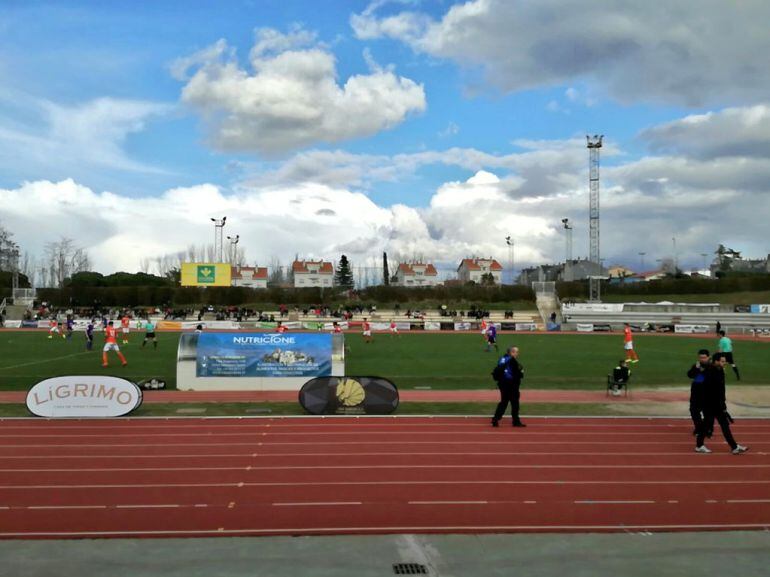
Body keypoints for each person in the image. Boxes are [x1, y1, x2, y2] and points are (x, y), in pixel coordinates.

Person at [695, 354, 748, 454]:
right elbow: (698, 384)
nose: (725, 363)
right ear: (716, 361)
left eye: (725, 361)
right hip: (709, 405)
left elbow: (720, 390)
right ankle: (699, 445)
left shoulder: (720, 371)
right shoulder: (708, 371)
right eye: (722, 361)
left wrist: (722, 404)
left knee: (724, 425)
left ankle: (734, 446)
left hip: (718, 404)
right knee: (707, 425)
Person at [491, 346, 525, 427]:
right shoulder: (512, 360)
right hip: (512, 385)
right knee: (515, 403)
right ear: (512, 352)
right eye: (516, 352)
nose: (517, 354)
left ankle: (495, 419)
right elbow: (517, 374)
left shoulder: (502, 359)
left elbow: (498, 370)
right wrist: (521, 373)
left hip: (502, 384)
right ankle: (516, 421)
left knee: (503, 402)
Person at [686, 349, 711, 437]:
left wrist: (700, 371)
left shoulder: (712, 367)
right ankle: (699, 428)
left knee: (707, 413)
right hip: (696, 393)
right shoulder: (696, 366)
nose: (702, 359)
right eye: (700, 357)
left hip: (707, 393)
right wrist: (696, 369)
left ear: (708, 357)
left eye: (704, 357)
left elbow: (706, 377)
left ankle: (707, 429)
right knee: (694, 411)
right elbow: (689, 375)